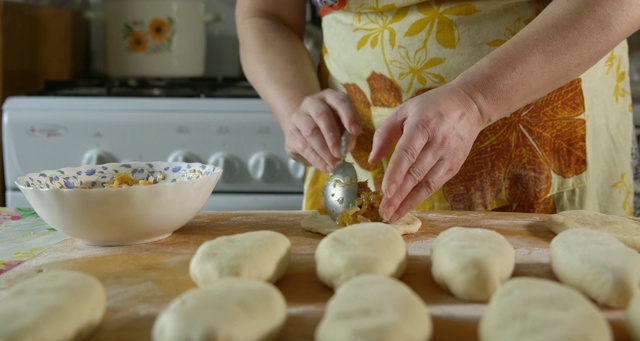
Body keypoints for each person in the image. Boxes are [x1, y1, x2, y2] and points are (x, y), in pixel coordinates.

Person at [236, 0, 640, 222]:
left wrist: (474, 100)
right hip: (355, 161)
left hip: (540, 153)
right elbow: (264, 15)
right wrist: (296, 106)